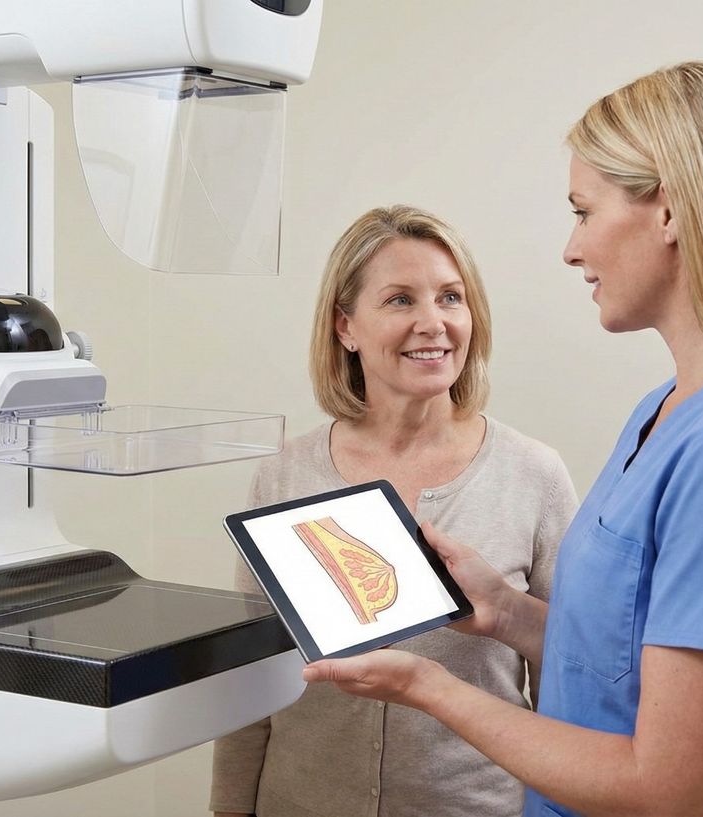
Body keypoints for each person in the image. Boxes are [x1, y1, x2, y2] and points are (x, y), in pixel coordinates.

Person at [301, 62, 703, 817]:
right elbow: (641, 668)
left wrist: (426, 684)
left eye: (584, 210)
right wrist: (507, 613)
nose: (572, 250)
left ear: (668, 212)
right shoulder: (668, 410)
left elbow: (667, 789)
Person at [210, 205, 579, 817]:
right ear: (345, 326)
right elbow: (252, 672)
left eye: (451, 298)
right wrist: (230, 809)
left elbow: (568, 672)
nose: (433, 323)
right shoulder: (286, 474)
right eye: (401, 300)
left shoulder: (533, 473)